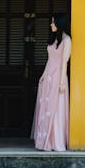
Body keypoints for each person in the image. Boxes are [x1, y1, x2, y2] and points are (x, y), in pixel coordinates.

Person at [31, 13, 71, 151]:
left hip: (58, 77)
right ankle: (45, 141)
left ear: (60, 23)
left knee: (56, 108)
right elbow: (50, 60)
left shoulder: (67, 41)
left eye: (53, 22)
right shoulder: (54, 40)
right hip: (49, 77)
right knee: (46, 108)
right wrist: (43, 75)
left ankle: (56, 141)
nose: (51, 24)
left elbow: (64, 63)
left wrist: (61, 83)